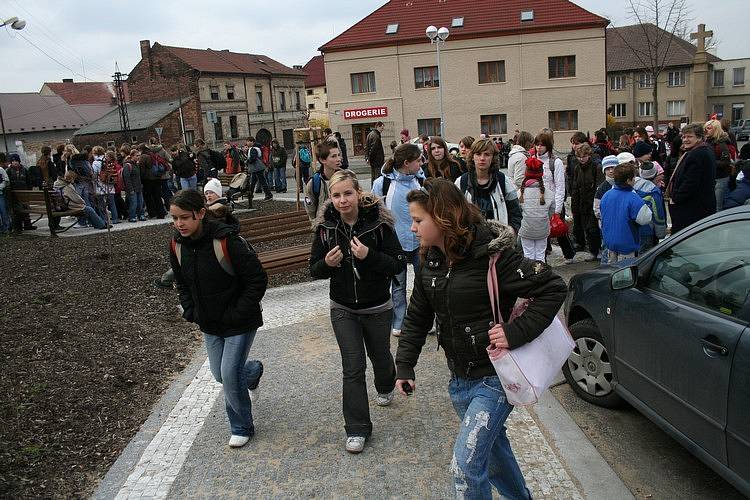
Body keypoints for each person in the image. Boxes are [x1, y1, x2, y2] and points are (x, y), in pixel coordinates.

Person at [395, 178, 566, 498]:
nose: (413, 228)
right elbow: (418, 315)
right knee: (494, 453)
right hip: (459, 380)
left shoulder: (493, 256)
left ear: (444, 217)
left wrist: (515, 333)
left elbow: (553, 287)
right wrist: (404, 365)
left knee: (466, 467)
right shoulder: (429, 260)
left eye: (419, 220)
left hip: (494, 379)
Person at [309, 169, 405, 454]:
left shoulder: (379, 224)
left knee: (380, 357)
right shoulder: (325, 228)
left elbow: (398, 263)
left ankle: (385, 385)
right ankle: (357, 429)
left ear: (358, 193)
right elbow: (314, 270)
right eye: (336, 195)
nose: (342, 200)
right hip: (343, 308)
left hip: (377, 307)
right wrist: (327, 263)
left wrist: (369, 256)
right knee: (352, 368)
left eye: (347, 193)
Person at [169, 189, 267, 448]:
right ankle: (252, 371)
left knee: (229, 374)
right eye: (174, 218)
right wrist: (190, 310)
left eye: (185, 218)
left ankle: (241, 426)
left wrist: (238, 312)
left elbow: (257, 279)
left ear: (201, 214)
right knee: (220, 373)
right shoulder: (177, 245)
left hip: (239, 322)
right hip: (209, 323)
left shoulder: (226, 241)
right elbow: (181, 282)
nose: (179, 224)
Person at [372, 143, 424, 337]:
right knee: (398, 285)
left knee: (423, 282)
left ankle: (422, 320)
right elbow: (376, 214)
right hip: (396, 245)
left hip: (421, 242)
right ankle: (399, 322)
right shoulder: (382, 183)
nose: (421, 164)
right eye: (418, 160)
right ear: (406, 163)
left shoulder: (420, 180)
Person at [456, 138, 521, 234]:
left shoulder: (503, 181)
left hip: (499, 242)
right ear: (472, 156)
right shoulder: (461, 182)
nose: (482, 158)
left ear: (493, 157)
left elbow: (516, 213)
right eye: (478, 154)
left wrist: (510, 233)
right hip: (470, 243)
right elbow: (454, 213)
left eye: (487, 154)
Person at [665, 123, 716, 234]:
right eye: (683, 137)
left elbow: (690, 183)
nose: (685, 140)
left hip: (692, 209)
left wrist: (676, 197)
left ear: (699, 137)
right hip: (699, 207)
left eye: (689, 137)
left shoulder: (697, 154)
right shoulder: (702, 150)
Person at [535, 131, 576, 263]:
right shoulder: (533, 160)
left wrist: (557, 209)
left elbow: (560, 186)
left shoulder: (555, 162)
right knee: (541, 231)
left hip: (553, 203)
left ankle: (569, 254)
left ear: (548, 146)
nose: (539, 147)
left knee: (559, 230)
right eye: (537, 144)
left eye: (542, 145)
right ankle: (543, 256)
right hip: (539, 203)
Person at [600, 163, 653, 263]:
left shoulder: (607, 195)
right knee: (625, 273)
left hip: (609, 242)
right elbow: (645, 219)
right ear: (629, 180)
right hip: (626, 244)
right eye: (633, 177)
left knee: (610, 269)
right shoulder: (633, 198)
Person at [569, 143, 603, 260]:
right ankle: (593, 251)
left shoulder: (596, 167)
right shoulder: (578, 168)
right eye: (579, 157)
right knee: (587, 229)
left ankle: (598, 250)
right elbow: (575, 187)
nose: (581, 159)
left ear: (589, 155)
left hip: (593, 202)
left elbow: (599, 187)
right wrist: (574, 206)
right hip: (582, 203)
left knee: (593, 229)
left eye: (584, 156)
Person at [518, 150, 552, 261]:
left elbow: (517, 212)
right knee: (541, 255)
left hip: (526, 230)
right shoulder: (549, 194)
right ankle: (541, 275)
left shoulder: (519, 194)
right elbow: (551, 212)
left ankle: (530, 276)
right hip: (542, 230)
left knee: (528, 255)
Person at [303, 140, 342, 222]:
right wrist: (317, 225)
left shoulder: (346, 178)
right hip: (324, 226)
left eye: (339, 155)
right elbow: (310, 208)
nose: (339, 159)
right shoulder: (314, 183)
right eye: (333, 156)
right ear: (323, 160)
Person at [635, 161, 667, 253]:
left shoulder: (632, 186)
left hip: (633, 228)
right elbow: (658, 214)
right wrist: (661, 233)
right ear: (655, 174)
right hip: (647, 230)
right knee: (646, 255)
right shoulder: (654, 191)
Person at [704, 119, 735, 211]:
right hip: (711, 177)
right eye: (705, 128)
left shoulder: (721, 144)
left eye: (709, 128)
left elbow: (726, 162)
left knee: (717, 206)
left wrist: (710, 162)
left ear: (716, 129)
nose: (706, 131)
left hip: (720, 178)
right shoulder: (708, 141)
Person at [594, 155, 619, 264]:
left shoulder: (621, 184)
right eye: (608, 169)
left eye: (613, 168)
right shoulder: (602, 188)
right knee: (606, 248)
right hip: (606, 224)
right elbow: (596, 208)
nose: (611, 171)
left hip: (619, 224)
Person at [6, 153, 38, 232]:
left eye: (16, 160)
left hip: (24, 193)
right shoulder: (9, 171)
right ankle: (18, 227)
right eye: (13, 161)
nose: (15, 162)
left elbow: (29, 181)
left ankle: (27, 224)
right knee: (17, 210)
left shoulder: (24, 169)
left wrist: (28, 190)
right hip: (14, 194)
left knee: (25, 208)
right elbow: (8, 182)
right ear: (11, 162)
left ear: (19, 161)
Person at [139, 145, 166, 219]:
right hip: (157, 178)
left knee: (148, 197)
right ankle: (161, 213)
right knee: (157, 196)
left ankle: (152, 213)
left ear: (141, 149)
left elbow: (142, 170)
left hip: (148, 180)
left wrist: (141, 179)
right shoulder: (153, 154)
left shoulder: (143, 156)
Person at [245, 137, 273, 204]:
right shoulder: (253, 148)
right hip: (256, 168)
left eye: (249, 141)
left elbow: (253, 158)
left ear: (252, 142)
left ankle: (269, 195)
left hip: (257, 167)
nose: (247, 143)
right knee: (253, 182)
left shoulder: (253, 149)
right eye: (247, 141)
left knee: (262, 181)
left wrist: (247, 161)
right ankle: (250, 194)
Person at [122, 147, 145, 222]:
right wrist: (130, 189)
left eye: (139, 155)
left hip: (138, 187)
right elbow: (126, 178)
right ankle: (132, 216)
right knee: (133, 203)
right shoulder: (127, 165)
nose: (138, 157)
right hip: (132, 188)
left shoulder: (137, 165)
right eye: (136, 156)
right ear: (132, 156)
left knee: (140, 203)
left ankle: (141, 215)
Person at [0, 154, 10, 234]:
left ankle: (6, 227)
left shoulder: (1, 170)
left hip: (0, 194)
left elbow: (6, 180)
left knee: (3, 211)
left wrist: (1, 187)